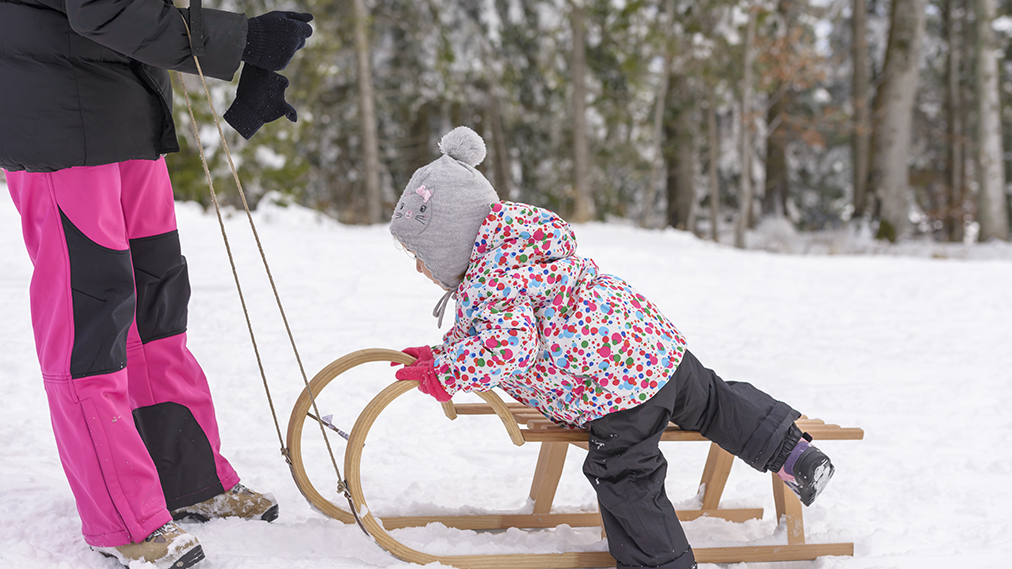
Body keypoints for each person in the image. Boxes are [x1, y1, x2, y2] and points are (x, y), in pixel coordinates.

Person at [389, 126, 836, 569]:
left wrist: (447, 374)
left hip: (615, 391)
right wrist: (446, 355)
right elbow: (495, 332)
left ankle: (662, 565)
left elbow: (506, 346)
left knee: (625, 473)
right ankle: (794, 454)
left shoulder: (492, 282)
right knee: (717, 401)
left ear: (455, 246)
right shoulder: (521, 251)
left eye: (422, 257)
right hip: (657, 349)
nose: (417, 268)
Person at [0, 1, 314, 568]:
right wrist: (241, 40)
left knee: (156, 306)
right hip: (55, 123)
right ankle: (122, 519)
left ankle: (187, 479)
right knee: (90, 323)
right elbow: (101, 8)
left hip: (124, 110)